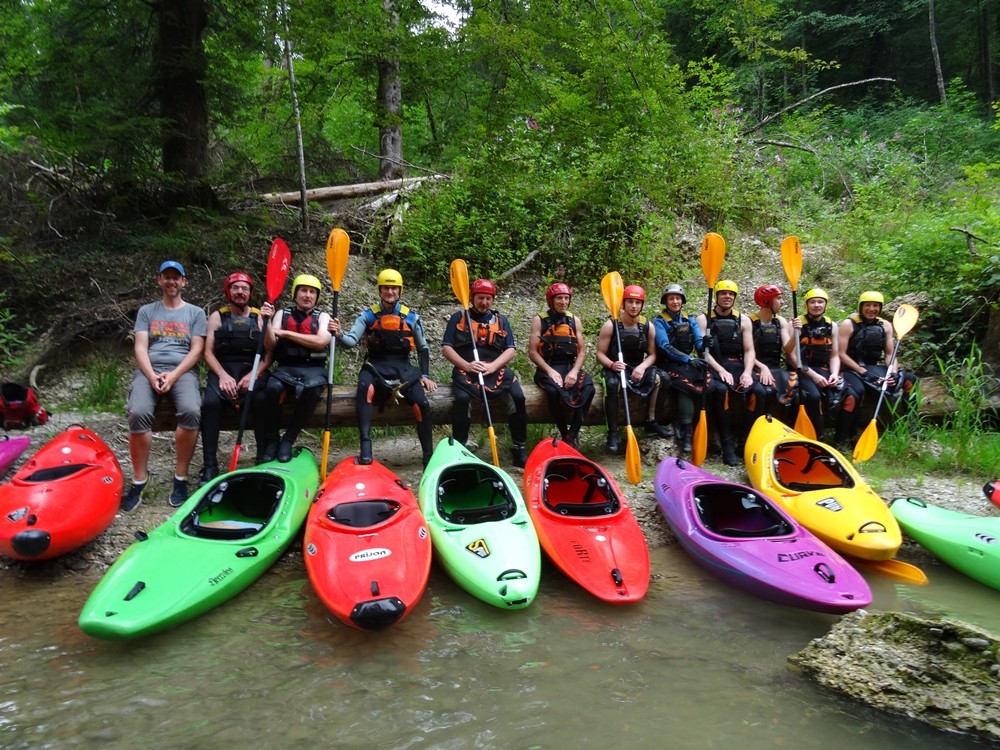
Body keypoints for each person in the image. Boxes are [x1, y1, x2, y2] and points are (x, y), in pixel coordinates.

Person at [123, 260, 207, 511]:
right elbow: (140, 347)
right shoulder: (147, 311)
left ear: (184, 282)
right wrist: (151, 376)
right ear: (159, 280)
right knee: (137, 412)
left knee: (192, 411)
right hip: (149, 370)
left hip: (182, 371)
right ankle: (140, 480)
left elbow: (197, 350)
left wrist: (173, 375)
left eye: (176, 277)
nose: (172, 281)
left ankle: (180, 478)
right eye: (166, 277)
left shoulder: (195, 313)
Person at [330, 269, 436, 466]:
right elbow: (351, 341)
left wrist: (425, 374)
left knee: (422, 403)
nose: (390, 292)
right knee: (365, 389)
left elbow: (423, 349)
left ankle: (428, 455)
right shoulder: (368, 316)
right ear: (380, 290)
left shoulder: (411, 317)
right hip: (376, 366)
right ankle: (366, 448)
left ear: (399, 291)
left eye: (394, 288)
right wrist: (338, 334)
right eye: (386, 288)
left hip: (403, 368)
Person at [441, 278, 528, 467]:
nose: (484, 302)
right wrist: (466, 365)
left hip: (494, 369)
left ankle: (519, 448)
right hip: (467, 370)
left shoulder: (501, 320)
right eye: (480, 298)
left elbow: (510, 349)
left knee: (518, 397)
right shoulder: (459, 318)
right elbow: (446, 348)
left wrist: (493, 366)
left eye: (488, 299)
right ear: (472, 298)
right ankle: (459, 447)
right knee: (462, 400)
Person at [199, 272, 271, 485]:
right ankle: (210, 465)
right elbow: (208, 353)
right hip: (224, 370)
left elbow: (269, 354)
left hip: (253, 369)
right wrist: (222, 376)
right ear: (228, 292)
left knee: (260, 400)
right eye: (235, 288)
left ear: (251, 293)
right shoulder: (217, 317)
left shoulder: (260, 316)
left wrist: (255, 374)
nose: (240, 292)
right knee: (210, 403)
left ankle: (262, 458)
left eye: (245, 288)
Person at [255, 274, 331, 463]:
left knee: (312, 390)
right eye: (303, 291)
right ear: (295, 294)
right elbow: (271, 345)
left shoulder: (323, 317)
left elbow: (321, 341)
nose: (308, 295)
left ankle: (288, 439)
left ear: (316, 297)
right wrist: (265, 324)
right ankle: (273, 439)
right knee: (271, 389)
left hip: (314, 368)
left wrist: (286, 333)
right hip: (286, 367)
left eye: (312, 292)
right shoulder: (282, 314)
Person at [595, 284, 671, 453]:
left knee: (663, 378)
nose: (634, 306)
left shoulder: (647, 326)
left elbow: (652, 355)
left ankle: (652, 422)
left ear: (642, 305)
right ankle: (612, 432)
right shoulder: (611, 325)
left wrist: (643, 367)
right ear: (623, 304)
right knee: (612, 385)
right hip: (614, 367)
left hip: (637, 366)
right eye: (630, 302)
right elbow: (600, 354)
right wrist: (612, 364)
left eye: (637, 302)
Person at [836, 291, 918, 445]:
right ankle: (844, 438)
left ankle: (911, 425)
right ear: (861, 307)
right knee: (856, 393)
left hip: (874, 367)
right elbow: (841, 354)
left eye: (875, 306)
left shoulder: (885, 325)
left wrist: (892, 373)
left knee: (911, 381)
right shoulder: (848, 324)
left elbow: (889, 354)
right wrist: (863, 372)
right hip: (851, 368)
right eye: (868, 305)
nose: (871, 309)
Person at [697, 280, 764, 465]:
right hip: (715, 365)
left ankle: (745, 442)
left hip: (738, 365)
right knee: (721, 391)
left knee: (758, 392)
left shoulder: (744, 320)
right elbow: (702, 351)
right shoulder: (704, 320)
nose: (727, 297)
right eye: (723, 294)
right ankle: (727, 445)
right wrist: (719, 369)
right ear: (716, 296)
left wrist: (748, 372)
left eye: (731, 294)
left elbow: (749, 350)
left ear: (735, 297)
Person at [528, 282, 595, 448]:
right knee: (552, 391)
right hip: (548, 367)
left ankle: (571, 435)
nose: (563, 302)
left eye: (566, 298)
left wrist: (574, 372)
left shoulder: (574, 320)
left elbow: (581, 352)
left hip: (569, 366)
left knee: (589, 388)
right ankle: (563, 431)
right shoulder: (540, 320)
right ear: (551, 300)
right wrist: (550, 371)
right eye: (559, 298)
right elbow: (532, 352)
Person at [653, 283, 709, 453]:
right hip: (668, 363)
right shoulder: (659, 321)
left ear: (682, 301)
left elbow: (698, 340)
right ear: (666, 301)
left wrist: (704, 343)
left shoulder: (689, 319)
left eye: (678, 298)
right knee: (685, 386)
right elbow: (665, 346)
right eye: (671, 298)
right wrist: (688, 359)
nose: (675, 301)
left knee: (707, 383)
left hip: (687, 362)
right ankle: (686, 433)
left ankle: (695, 423)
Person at [791, 288, 842, 438]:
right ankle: (820, 437)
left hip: (824, 369)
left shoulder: (832, 326)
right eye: (812, 302)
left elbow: (835, 355)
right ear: (806, 305)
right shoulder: (797, 324)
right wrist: (813, 376)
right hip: (803, 371)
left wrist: (834, 374)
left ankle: (842, 438)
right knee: (813, 396)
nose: (816, 305)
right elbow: (791, 356)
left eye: (820, 302)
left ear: (825, 305)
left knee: (849, 393)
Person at [748, 284, 798, 419]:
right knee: (767, 392)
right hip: (756, 368)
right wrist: (762, 367)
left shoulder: (780, 321)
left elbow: (788, 349)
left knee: (796, 391)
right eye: (779, 298)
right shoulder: (749, 321)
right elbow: (746, 352)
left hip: (776, 368)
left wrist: (795, 333)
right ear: (767, 301)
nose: (782, 302)